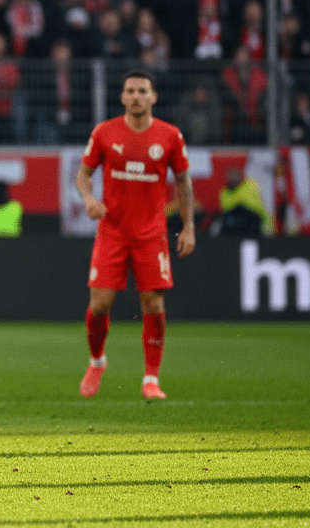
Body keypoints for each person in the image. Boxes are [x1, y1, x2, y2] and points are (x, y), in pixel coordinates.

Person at [76, 69, 195, 401]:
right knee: (100, 305)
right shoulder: (105, 132)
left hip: (151, 235)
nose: (136, 97)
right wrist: (88, 199)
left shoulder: (170, 136)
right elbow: (83, 174)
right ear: (122, 97)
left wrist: (188, 227)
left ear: (153, 96)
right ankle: (97, 361)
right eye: (130, 91)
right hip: (112, 232)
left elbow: (184, 182)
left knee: (153, 303)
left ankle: (151, 378)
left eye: (143, 91)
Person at [217, 166, 272, 237]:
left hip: (252, 217)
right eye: (230, 176)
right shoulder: (224, 191)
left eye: (235, 175)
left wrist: (241, 204)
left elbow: (256, 206)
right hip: (234, 218)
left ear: (240, 176)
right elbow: (225, 208)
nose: (233, 178)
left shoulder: (251, 185)